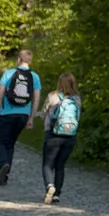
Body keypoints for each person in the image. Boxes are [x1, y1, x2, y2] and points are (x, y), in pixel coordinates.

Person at [0, 49, 40, 186]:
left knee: (0, 143)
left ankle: (3, 164)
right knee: (10, 144)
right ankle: (4, 176)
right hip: (23, 115)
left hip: (7, 113)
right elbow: (36, 99)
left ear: (19, 59)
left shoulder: (9, 73)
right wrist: (31, 117)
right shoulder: (35, 77)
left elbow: (0, 94)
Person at [38, 72, 82, 205]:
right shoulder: (77, 99)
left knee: (48, 164)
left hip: (53, 135)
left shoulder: (53, 96)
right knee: (60, 165)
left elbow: (43, 113)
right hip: (70, 136)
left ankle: (50, 186)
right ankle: (57, 195)